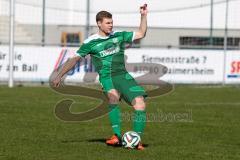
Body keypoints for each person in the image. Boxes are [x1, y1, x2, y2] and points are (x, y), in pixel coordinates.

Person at [52, 4, 148, 150]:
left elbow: (141, 33)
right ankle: (116, 136)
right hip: (107, 77)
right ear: (99, 23)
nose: (111, 25)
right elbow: (74, 59)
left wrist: (143, 15)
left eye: (112, 22)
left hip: (123, 75)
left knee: (140, 104)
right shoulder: (90, 42)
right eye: (108, 23)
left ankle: (136, 140)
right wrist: (59, 75)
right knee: (113, 97)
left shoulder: (118, 35)